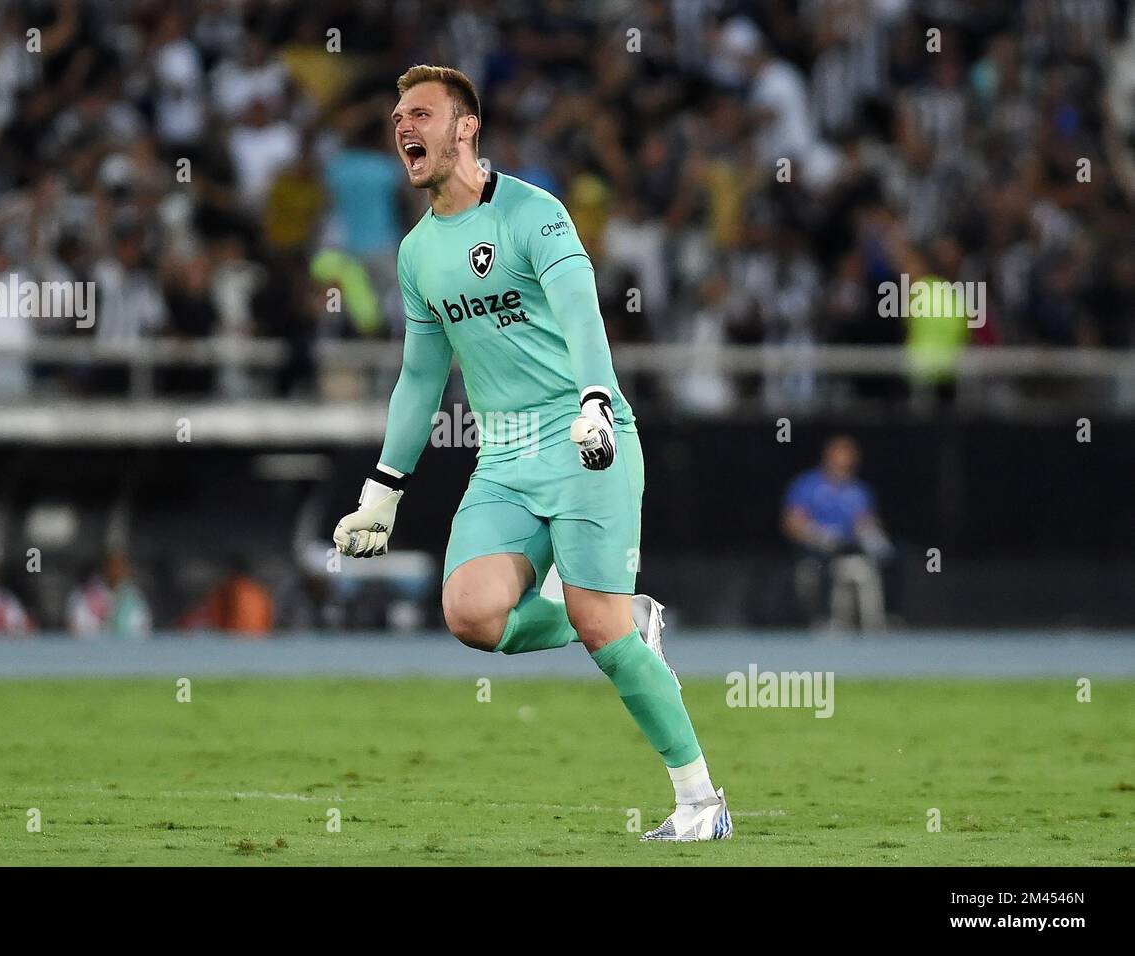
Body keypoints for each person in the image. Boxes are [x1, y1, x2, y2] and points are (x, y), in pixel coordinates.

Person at [331, 66, 730, 842]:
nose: (403, 128)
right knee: (471, 614)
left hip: (587, 439)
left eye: (422, 114)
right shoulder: (418, 254)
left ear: (466, 128)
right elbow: (419, 376)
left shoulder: (533, 213)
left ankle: (701, 805)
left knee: (601, 631)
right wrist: (384, 488)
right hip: (504, 457)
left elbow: (583, 314)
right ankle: (626, 616)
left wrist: (594, 400)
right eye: (396, 117)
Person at [782, 436, 896, 625]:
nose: (845, 459)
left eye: (849, 454)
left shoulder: (859, 490)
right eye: (840, 453)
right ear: (828, 456)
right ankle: (826, 618)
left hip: (848, 545)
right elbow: (791, 523)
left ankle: (890, 614)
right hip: (817, 547)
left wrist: (871, 534)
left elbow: (865, 521)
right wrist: (815, 534)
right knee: (827, 559)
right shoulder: (807, 484)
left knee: (893, 555)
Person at [66, 551, 151, 639]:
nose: (116, 571)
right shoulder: (84, 594)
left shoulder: (134, 597)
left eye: (121, 567)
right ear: (104, 568)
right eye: (112, 566)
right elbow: (76, 627)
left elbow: (143, 627)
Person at [179, 559, 274, 637]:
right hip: (259, 638)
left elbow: (217, 616)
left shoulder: (228, 589)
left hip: (234, 639)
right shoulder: (258, 590)